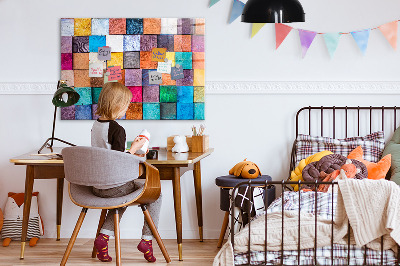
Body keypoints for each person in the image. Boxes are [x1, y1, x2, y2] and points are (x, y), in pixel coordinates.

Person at [91, 82, 161, 263]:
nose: (127, 109)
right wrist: (135, 148)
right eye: (126, 105)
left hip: (97, 186)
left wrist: (130, 150)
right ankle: (147, 240)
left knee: (122, 197)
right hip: (114, 186)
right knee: (156, 194)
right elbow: (119, 161)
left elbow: (108, 154)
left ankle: (103, 238)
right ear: (117, 105)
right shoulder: (117, 129)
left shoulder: (96, 125)